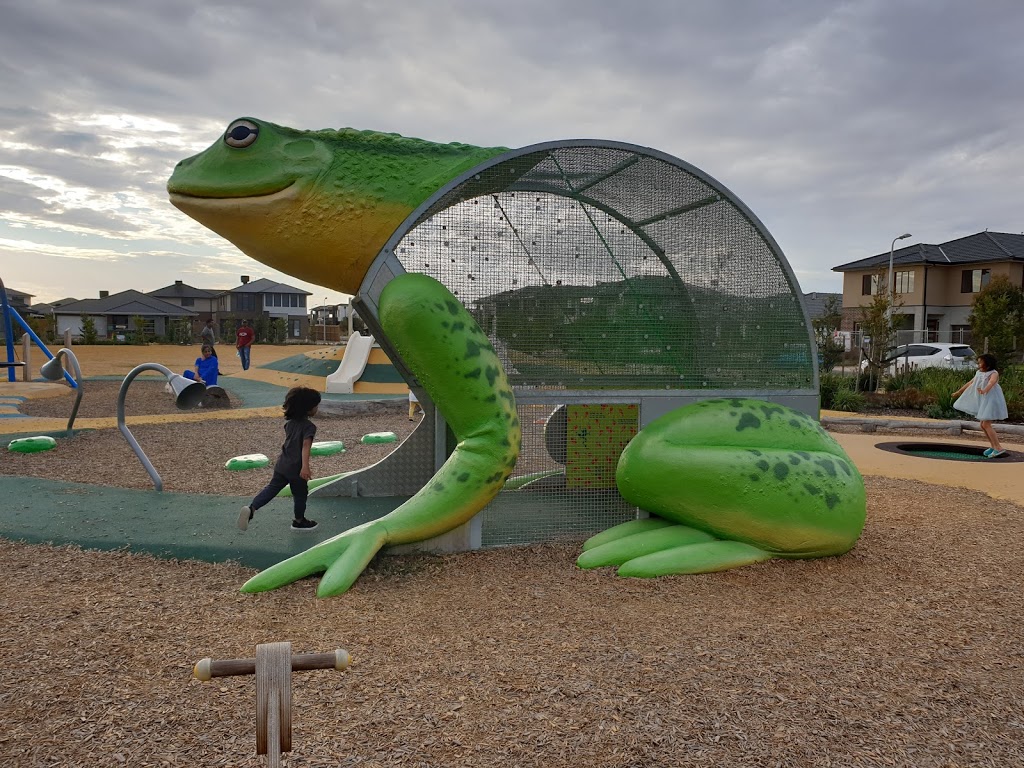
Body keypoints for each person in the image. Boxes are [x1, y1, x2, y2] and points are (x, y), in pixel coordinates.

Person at [239, 386, 322, 531]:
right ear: (308, 409)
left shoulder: (289, 424)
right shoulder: (309, 427)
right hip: (296, 467)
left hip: (282, 463)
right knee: (300, 494)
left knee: (272, 488)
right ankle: (299, 520)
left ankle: (252, 508)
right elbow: (305, 445)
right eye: (316, 406)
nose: (317, 408)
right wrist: (305, 466)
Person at [952, 353, 1009, 458]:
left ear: (987, 363)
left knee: (986, 424)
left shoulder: (993, 373)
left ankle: (998, 447)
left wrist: (984, 390)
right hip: (984, 400)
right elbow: (970, 383)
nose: (978, 364)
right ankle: (993, 446)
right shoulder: (979, 373)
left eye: (980, 362)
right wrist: (958, 392)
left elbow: (991, 383)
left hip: (991, 400)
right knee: (982, 425)